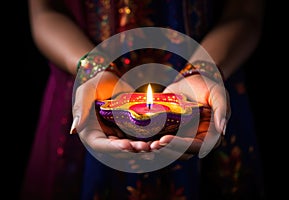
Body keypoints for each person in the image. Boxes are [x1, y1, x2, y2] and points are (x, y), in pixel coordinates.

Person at [21, 0, 265, 200]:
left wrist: (204, 71)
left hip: (209, 92)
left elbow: (245, 11)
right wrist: (94, 70)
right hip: (86, 95)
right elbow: (45, 12)